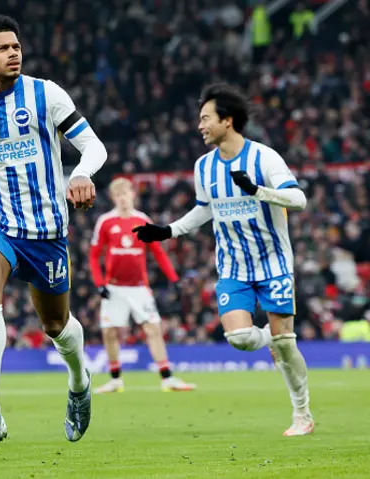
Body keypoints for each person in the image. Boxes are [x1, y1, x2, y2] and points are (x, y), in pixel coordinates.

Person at [0, 15, 108, 459]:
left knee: (56, 326)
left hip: (46, 230)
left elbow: (94, 147)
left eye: (17, 46)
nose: (14, 52)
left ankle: (78, 381)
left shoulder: (46, 93)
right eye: (3, 48)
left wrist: (82, 173)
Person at [133, 83, 314, 437]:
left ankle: (302, 414)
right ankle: (274, 339)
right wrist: (167, 231)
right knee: (241, 338)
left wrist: (257, 191)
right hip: (233, 267)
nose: (200, 126)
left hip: (274, 262)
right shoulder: (204, 167)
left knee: (285, 345)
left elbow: (299, 200)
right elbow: (205, 210)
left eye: (205, 119)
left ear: (227, 121)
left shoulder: (264, 158)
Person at [89, 178, 196, 393]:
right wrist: (100, 284)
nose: (123, 198)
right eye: (118, 195)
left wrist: (173, 279)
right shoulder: (105, 222)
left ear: (133, 195)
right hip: (114, 287)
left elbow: (158, 252)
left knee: (153, 329)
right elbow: (93, 256)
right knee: (110, 332)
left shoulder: (142, 220)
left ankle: (167, 378)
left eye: (126, 193)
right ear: (113, 198)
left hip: (139, 287)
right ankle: (115, 380)